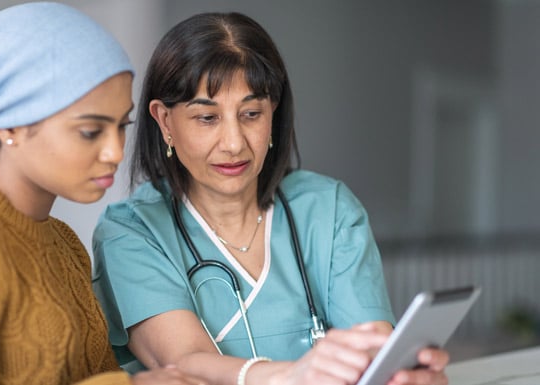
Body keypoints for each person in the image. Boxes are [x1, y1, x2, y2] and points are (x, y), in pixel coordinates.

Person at [92, 11, 450, 385]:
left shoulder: (328, 210)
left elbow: (371, 348)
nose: (234, 144)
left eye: (250, 114)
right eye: (207, 118)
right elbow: (183, 361)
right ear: (165, 121)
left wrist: (403, 373)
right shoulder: (132, 232)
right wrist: (291, 375)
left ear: (272, 114)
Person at [0, 3, 205, 385]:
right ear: (10, 126)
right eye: (90, 131)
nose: (115, 152)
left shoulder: (65, 245)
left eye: (121, 126)